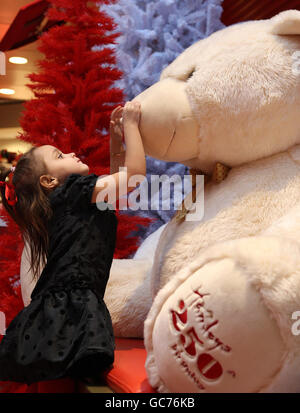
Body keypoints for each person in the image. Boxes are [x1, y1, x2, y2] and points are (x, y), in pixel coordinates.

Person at [0, 101, 145, 384]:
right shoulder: (74, 192)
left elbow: (118, 178)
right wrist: (131, 125)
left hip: (62, 310)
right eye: (59, 155)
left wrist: (117, 137)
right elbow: (134, 177)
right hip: (70, 311)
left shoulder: (65, 200)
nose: (69, 151)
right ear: (49, 180)